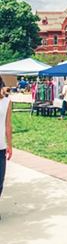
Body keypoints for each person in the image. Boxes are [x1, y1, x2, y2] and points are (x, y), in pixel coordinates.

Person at [0, 76, 12, 220]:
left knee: (0, 181)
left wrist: (10, 144)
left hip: (1, 146)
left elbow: (8, 124)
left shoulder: (7, 102)